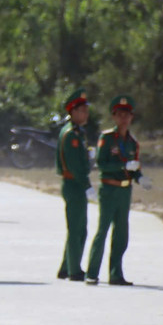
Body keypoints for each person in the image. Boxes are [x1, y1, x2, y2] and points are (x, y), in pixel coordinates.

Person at [86, 95, 140, 286]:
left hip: (125, 191)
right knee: (103, 230)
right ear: (114, 117)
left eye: (127, 115)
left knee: (121, 233)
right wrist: (123, 166)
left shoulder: (132, 142)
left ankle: (116, 274)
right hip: (109, 189)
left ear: (131, 117)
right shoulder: (107, 138)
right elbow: (101, 164)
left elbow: (135, 168)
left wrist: (140, 176)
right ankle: (92, 273)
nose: (123, 118)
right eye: (119, 115)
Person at [55, 89, 94, 281]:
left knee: (78, 228)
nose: (86, 114)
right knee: (77, 229)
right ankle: (74, 270)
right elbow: (75, 166)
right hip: (73, 184)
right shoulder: (71, 134)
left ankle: (66, 266)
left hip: (75, 184)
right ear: (73, 112)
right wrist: (86, 184)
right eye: (82, 111)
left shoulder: (78, 132)